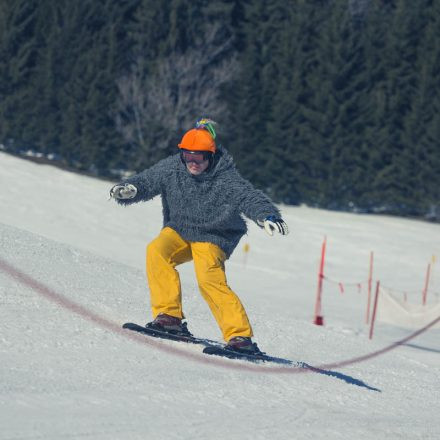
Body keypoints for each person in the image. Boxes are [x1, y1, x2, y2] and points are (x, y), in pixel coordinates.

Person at [110, 118, 289, 354]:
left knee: (208, 279)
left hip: (214, 235)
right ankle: (169, 319)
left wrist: (268, 216)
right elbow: (147, 180)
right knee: (156, 251)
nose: (193, 163)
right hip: (180, 230)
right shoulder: (173, 167)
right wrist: (131, 189)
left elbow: (249, 196)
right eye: (188, 156)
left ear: (211, 156)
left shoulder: (225, 177)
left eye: (200, 157)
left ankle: (240, 337)